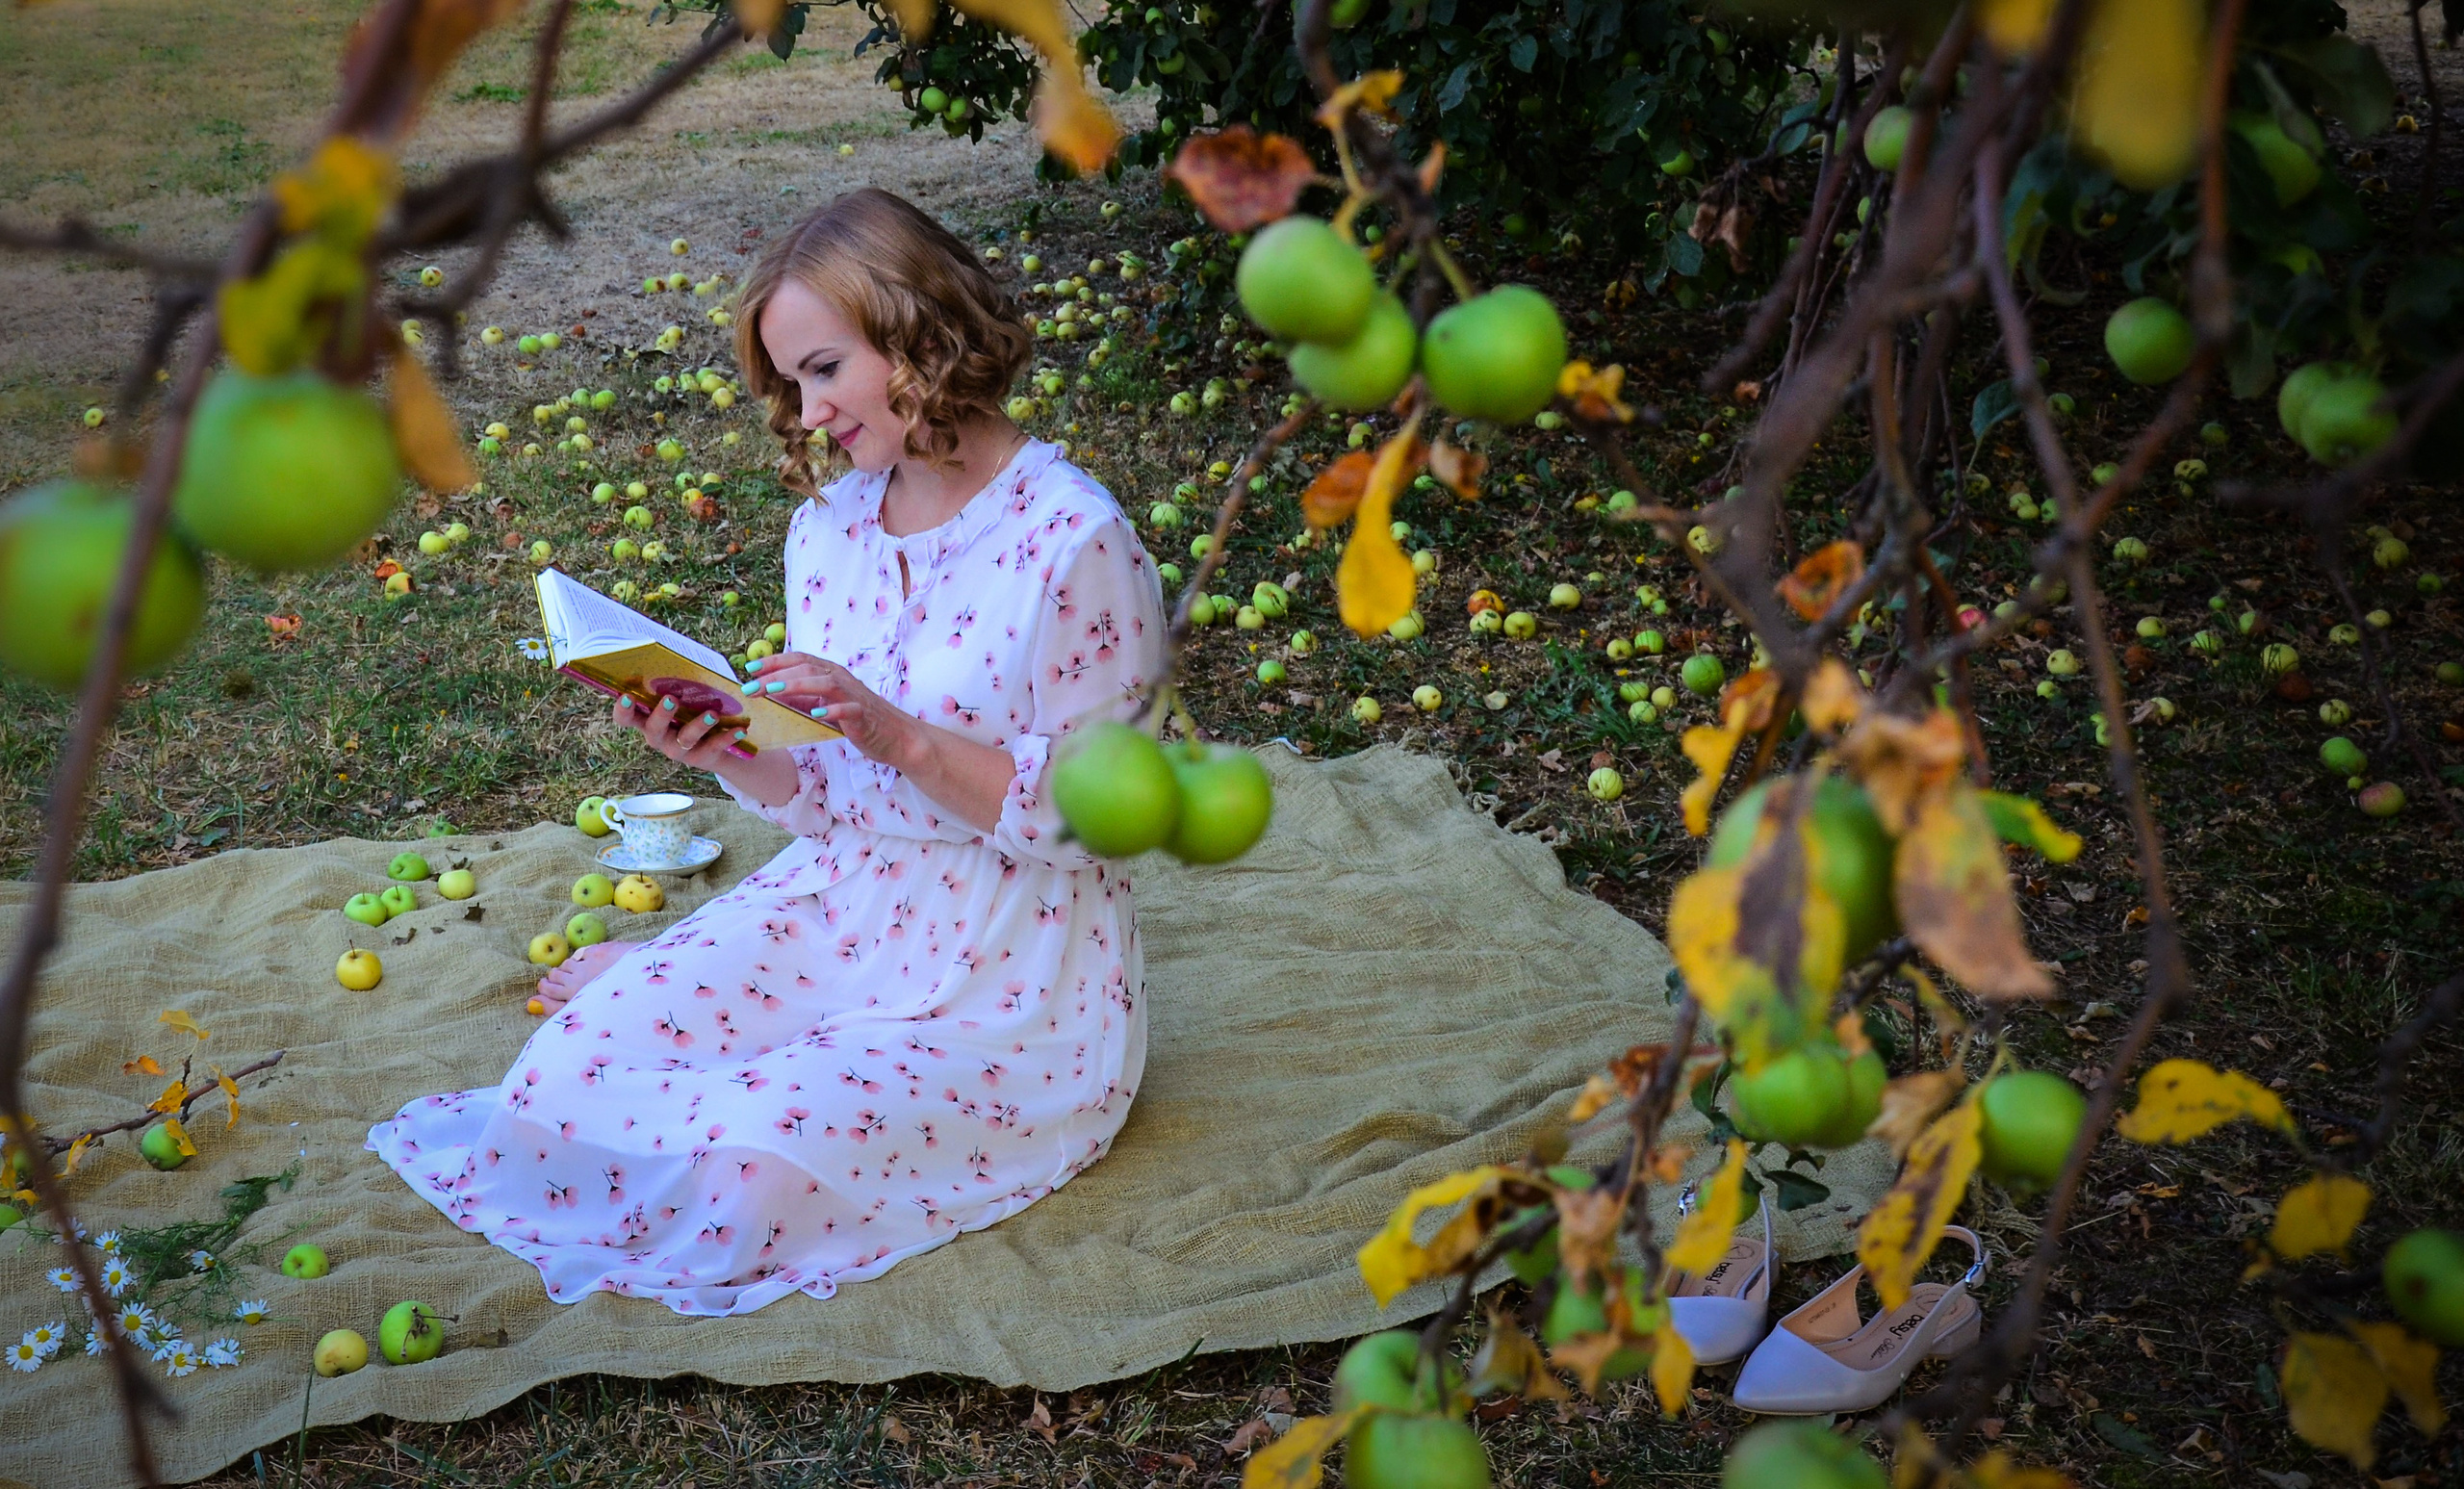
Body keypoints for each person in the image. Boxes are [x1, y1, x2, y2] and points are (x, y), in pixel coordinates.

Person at [366, 187, 1169, 1317]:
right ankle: (709, 1019)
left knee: (753, 1172)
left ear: (920, 331)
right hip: (841, 901)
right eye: (793, 382)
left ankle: (764, 1063)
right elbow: (822, 796)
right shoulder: (829, 529)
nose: (809, 409)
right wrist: (722, 745)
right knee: (563, 1071)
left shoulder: (1073, 536)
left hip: (1009, 963)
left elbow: (1107, 819)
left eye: (825, 368)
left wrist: (896, 731)